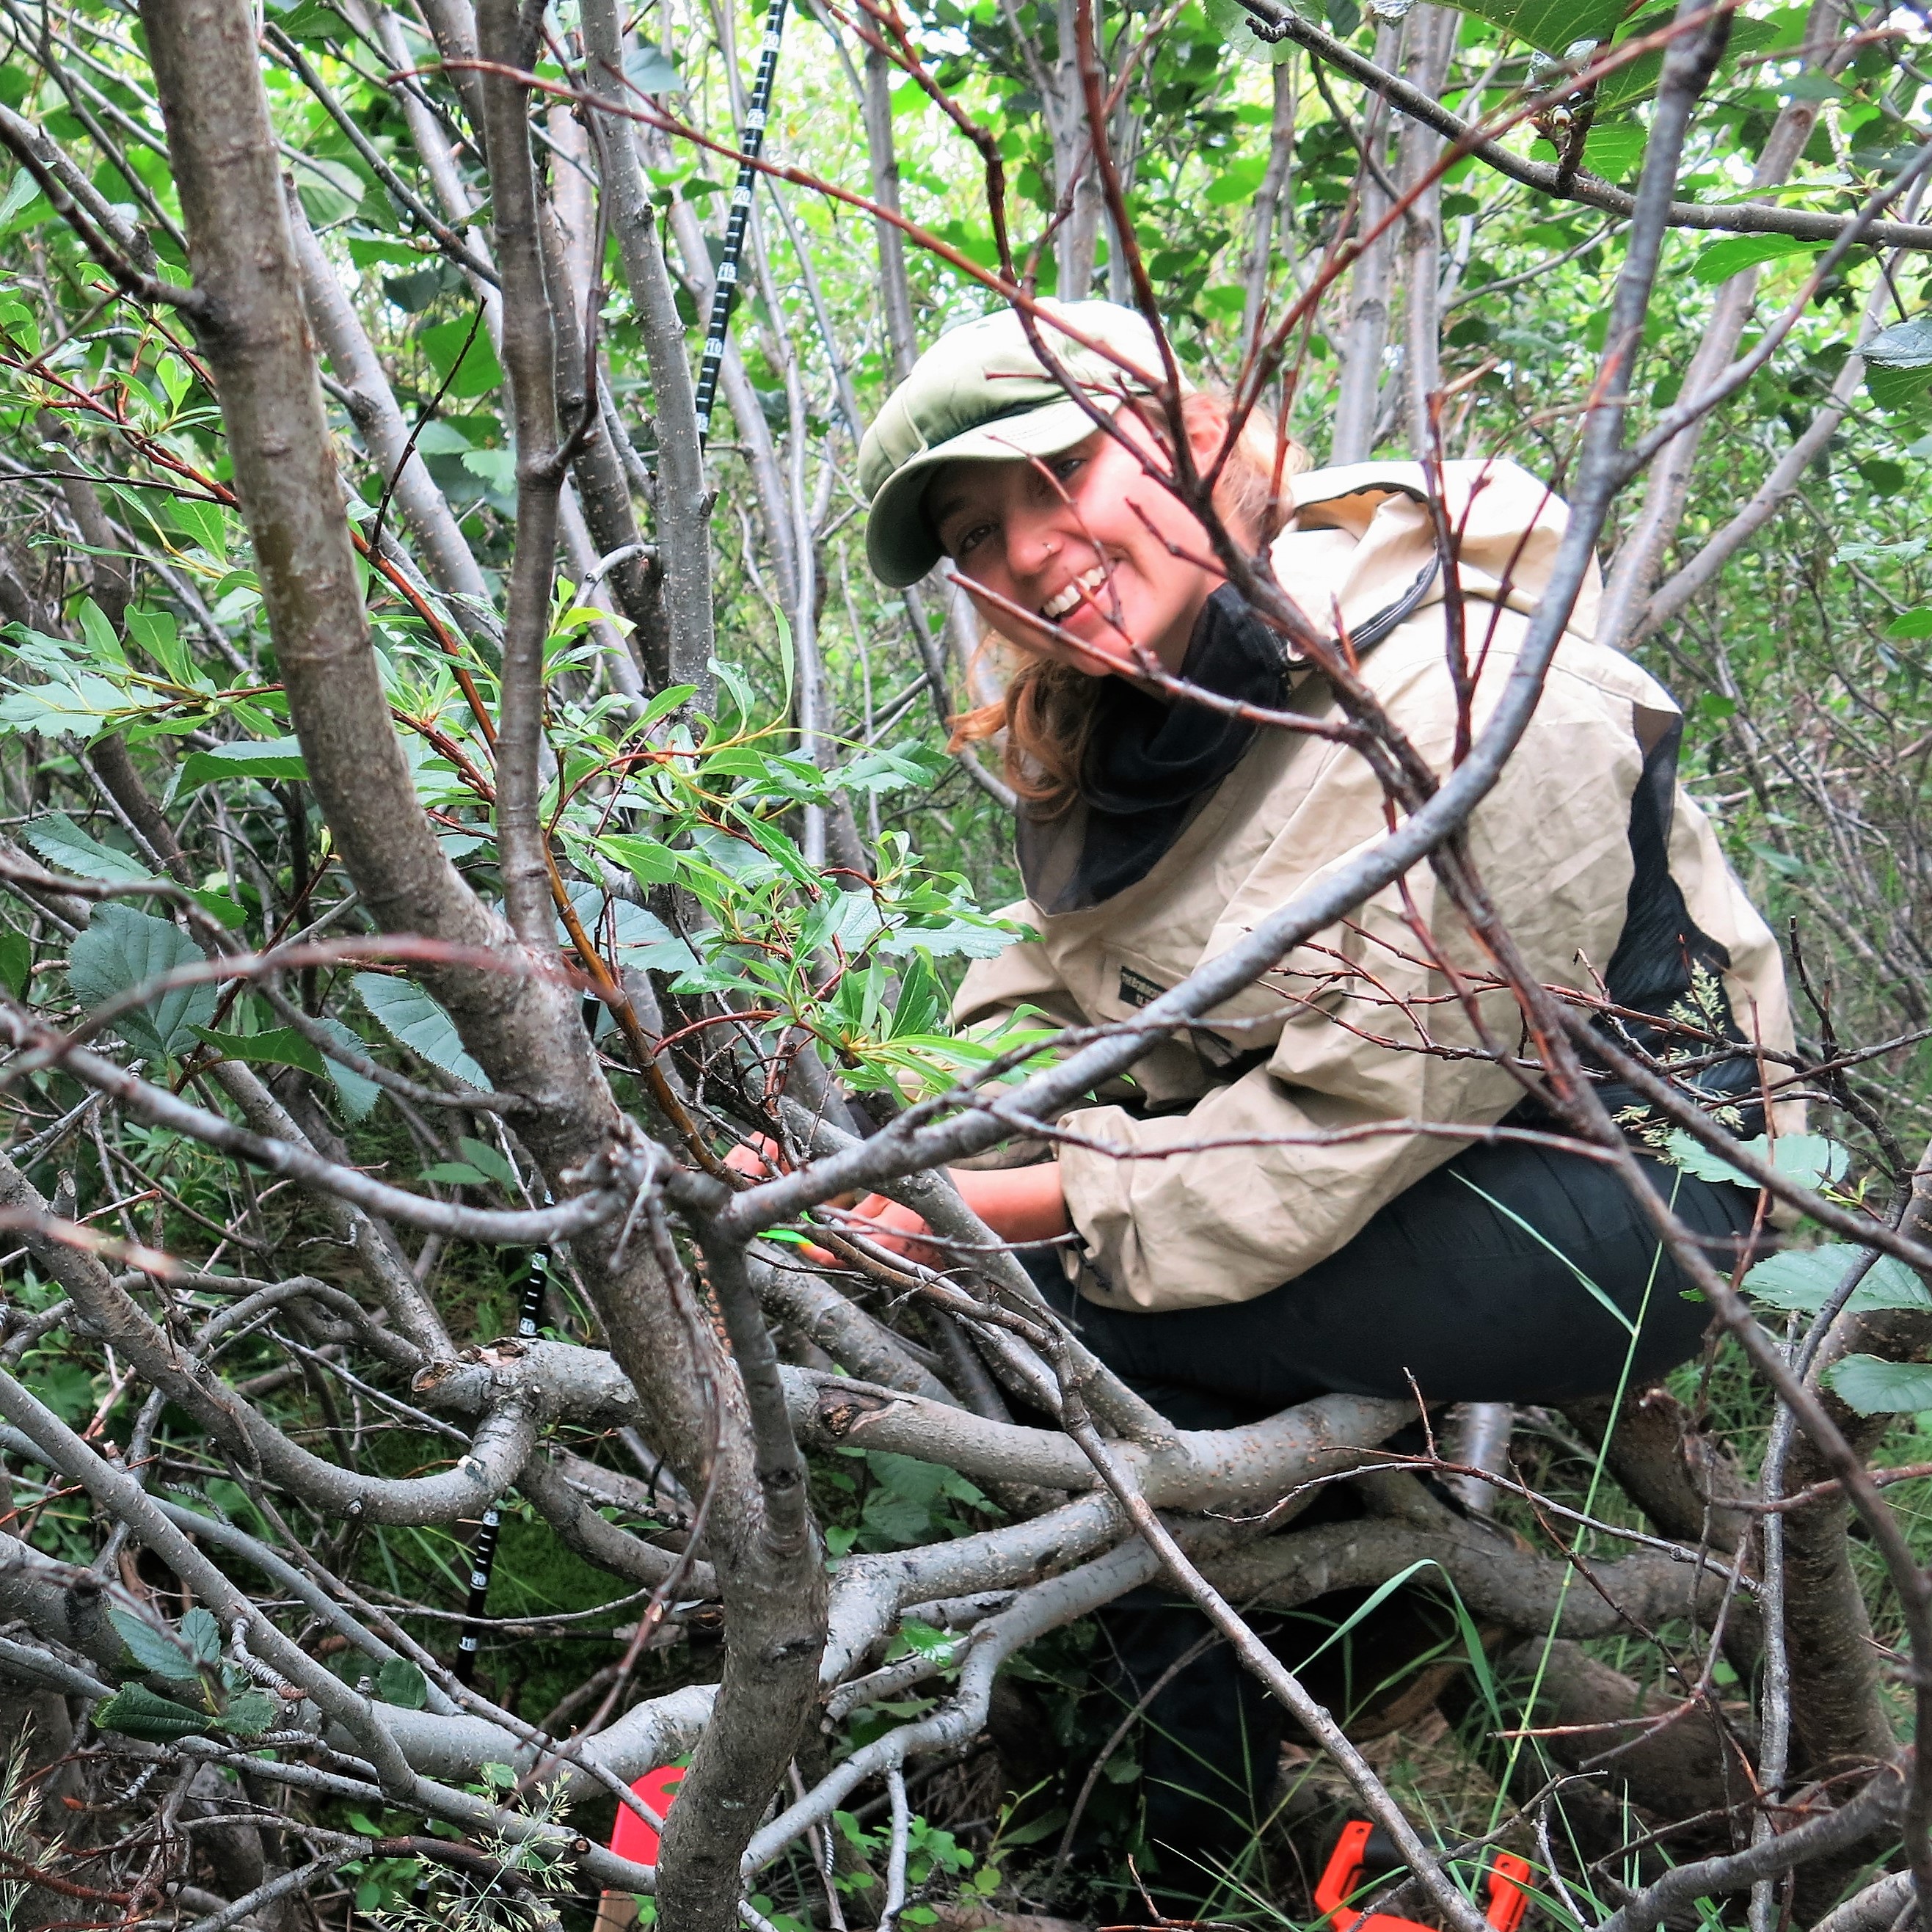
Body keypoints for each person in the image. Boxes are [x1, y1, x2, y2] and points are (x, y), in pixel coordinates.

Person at [847, 299, 1793, 1903]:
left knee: (1093, 1323)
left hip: (1629, 1185)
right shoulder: (1126, 718)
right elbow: (1064, 991)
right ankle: (1315, 1685)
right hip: (1409, 1150)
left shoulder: (1460, 681)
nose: (1027, 551)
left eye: (1057, 474)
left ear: (1190, 435)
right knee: (1072, 1301)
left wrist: (990, 1206)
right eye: (974, 535)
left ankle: (1176, 1852)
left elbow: (1350, 1120)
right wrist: (907, 1140)